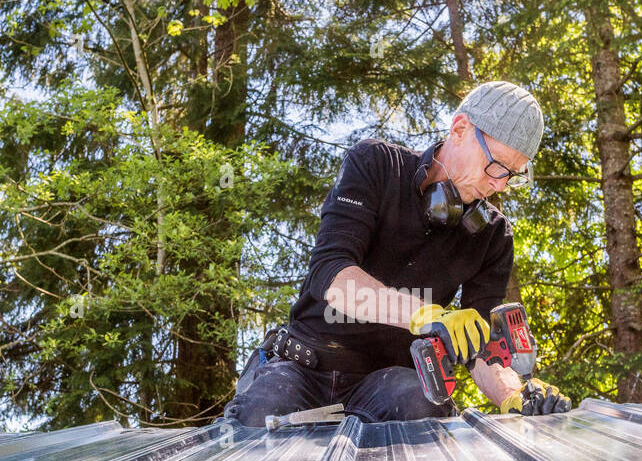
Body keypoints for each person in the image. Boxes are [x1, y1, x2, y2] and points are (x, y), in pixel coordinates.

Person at [224, 80, 571, 426]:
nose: (498, 185)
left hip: (390, 384)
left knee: (423, 410)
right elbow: (331, 274)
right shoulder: (375, 164)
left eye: (511, 176)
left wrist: (514, 395)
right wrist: (427, 316)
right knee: (258, 419)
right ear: (461, 129)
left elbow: (485, 346)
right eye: (496, 166)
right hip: (304, 367)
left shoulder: (493, 236)